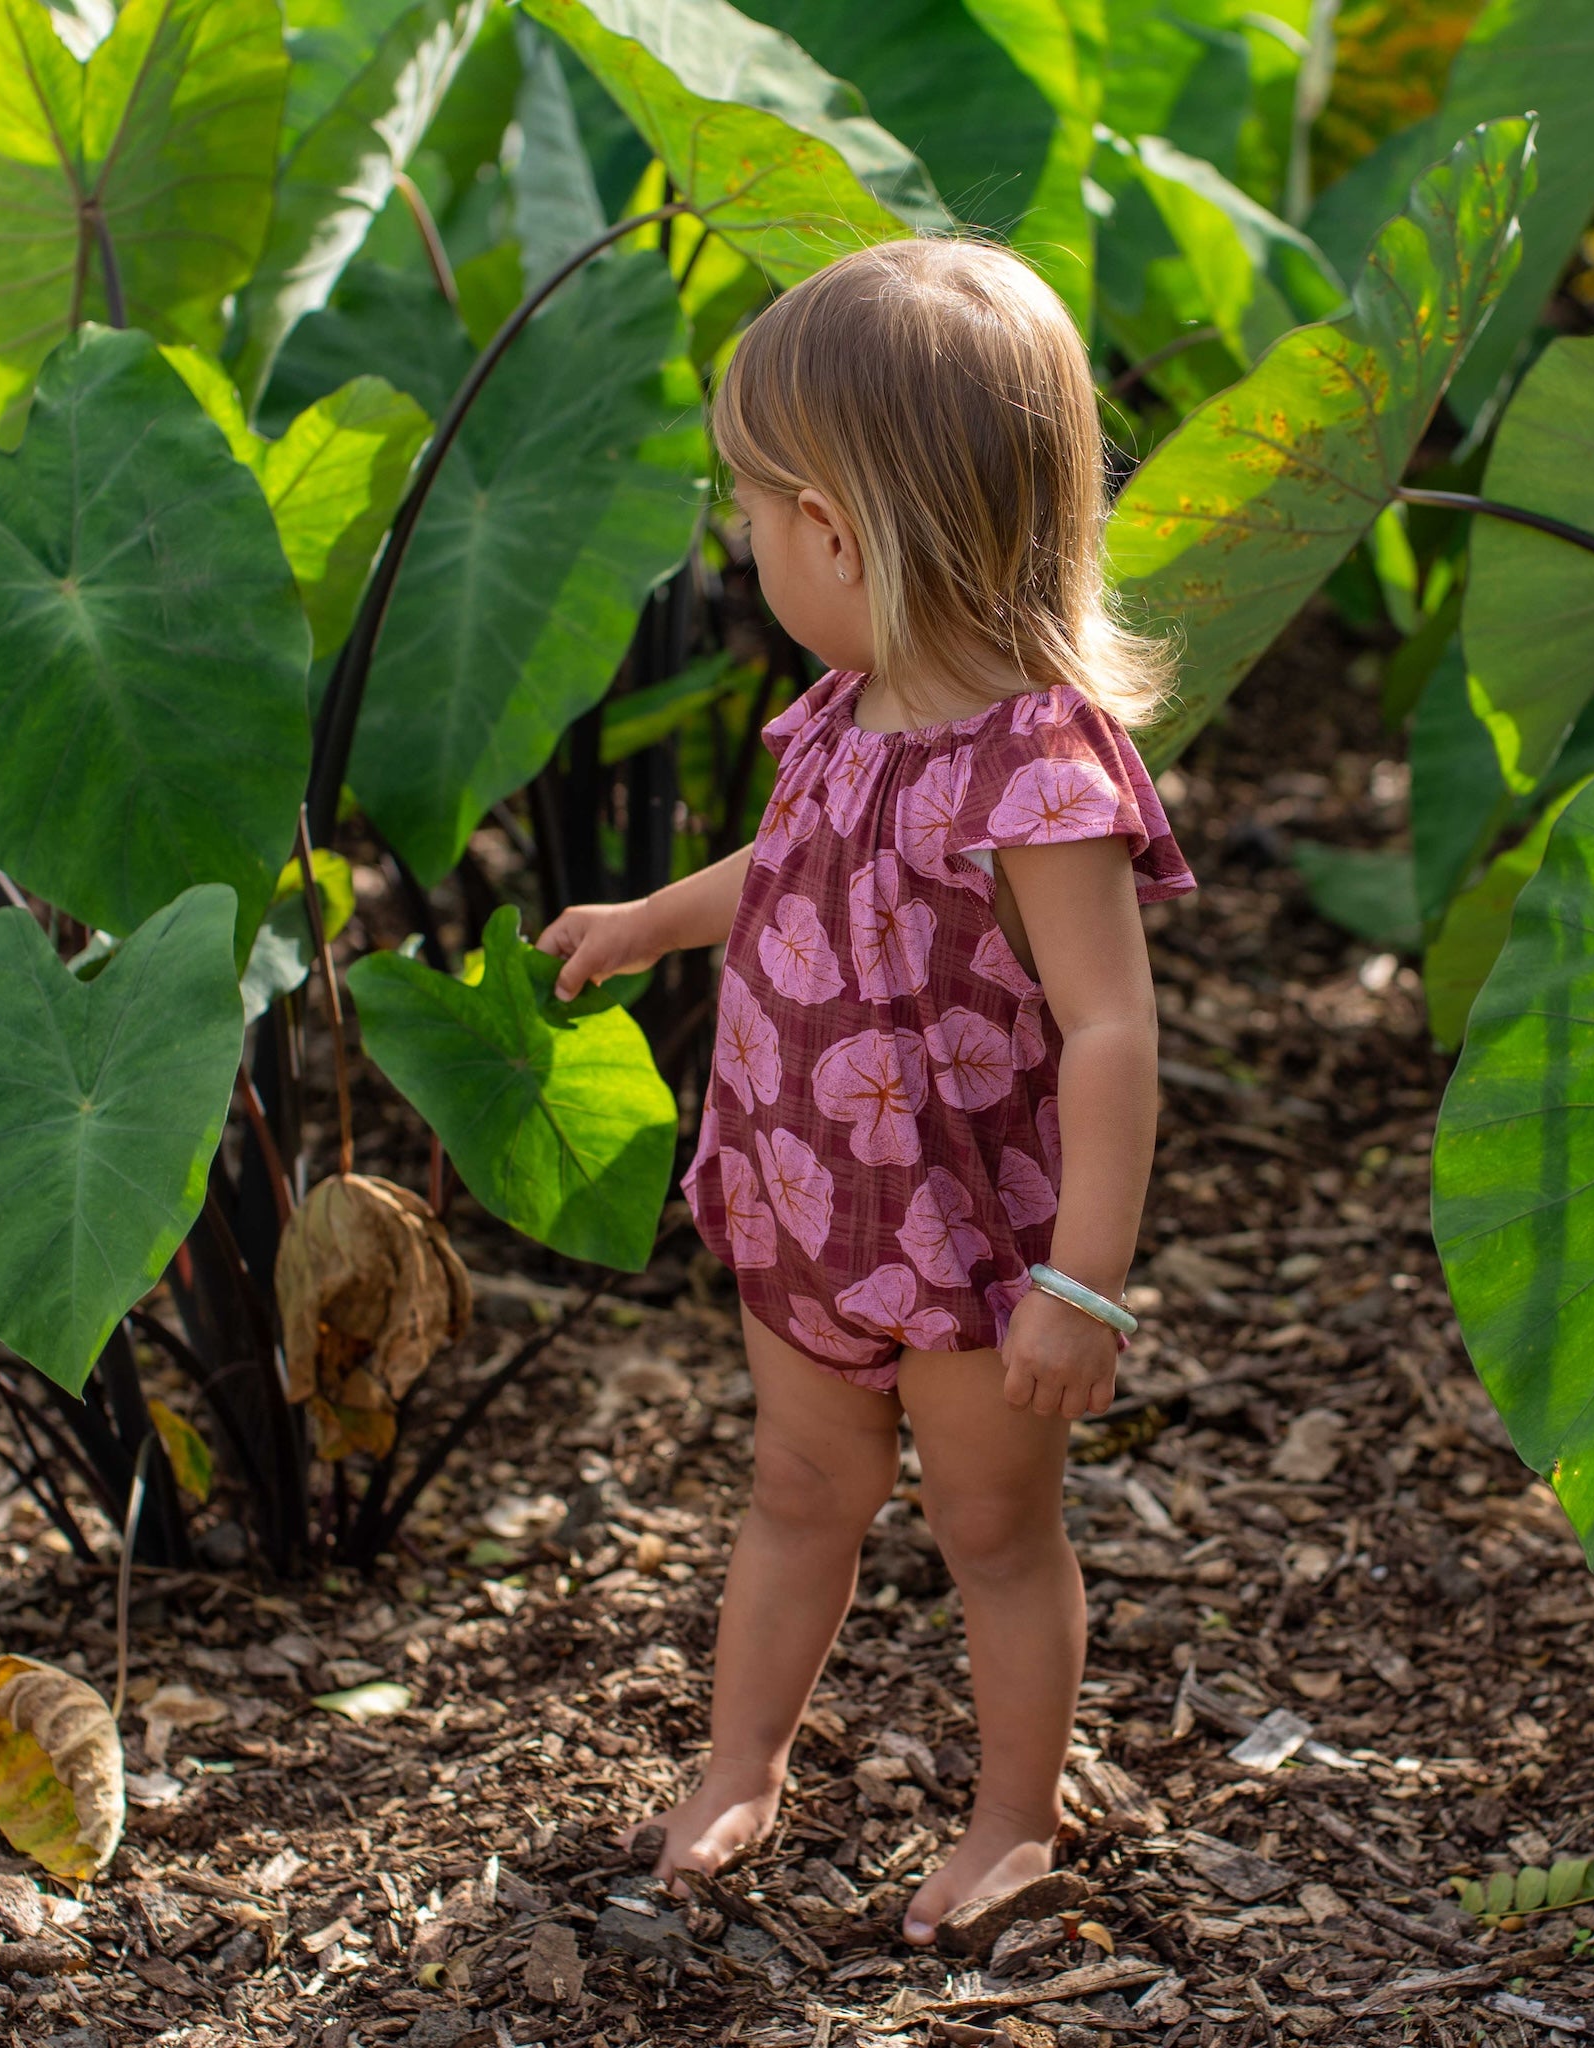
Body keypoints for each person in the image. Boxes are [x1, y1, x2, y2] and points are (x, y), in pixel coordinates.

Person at [534, 237, 1195, 1946]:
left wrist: (1082, 1283)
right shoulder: (847, 717)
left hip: (979, 1248)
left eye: (755, 514)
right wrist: (649, 922)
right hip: (810, 1197)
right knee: (799, 1491)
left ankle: (1011, 1819)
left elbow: (1113, 1033)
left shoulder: (1042, 771)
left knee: (990, 1527)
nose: (749, 548)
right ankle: (742, 1762)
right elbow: (794, 867)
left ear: (838, 529)